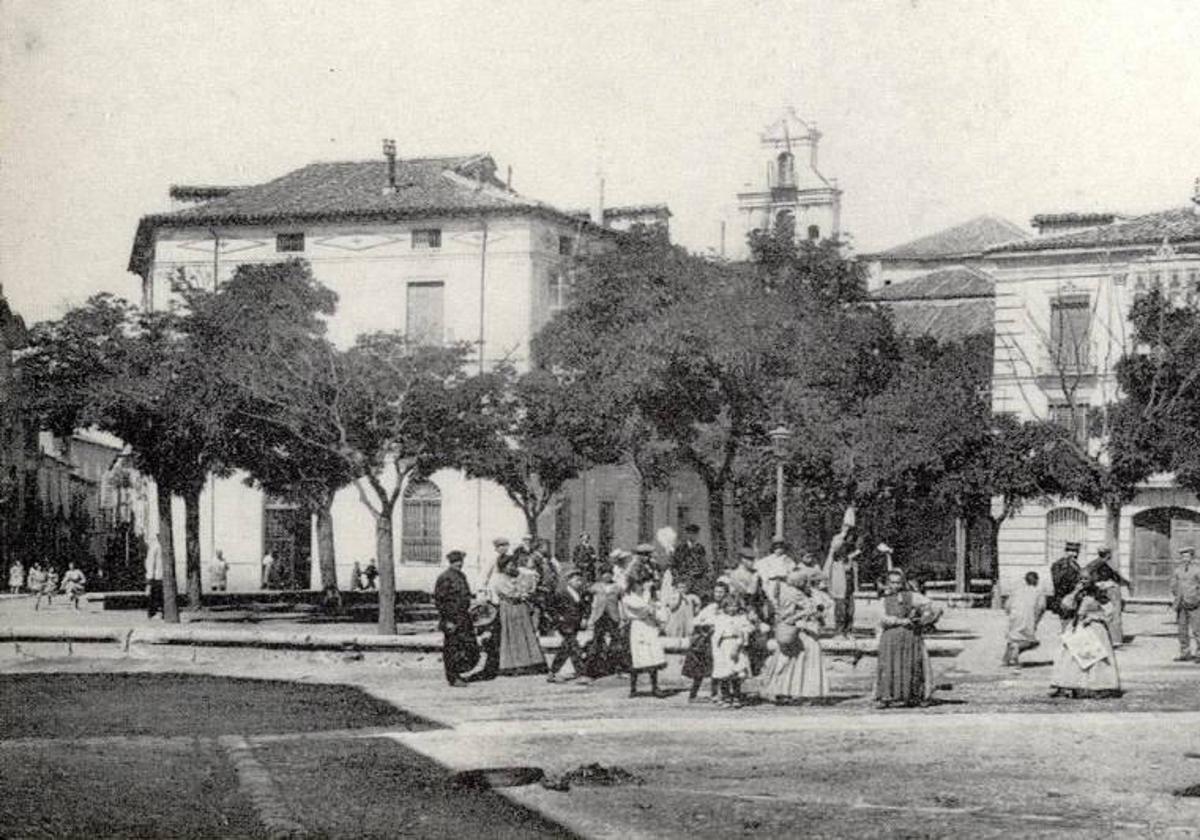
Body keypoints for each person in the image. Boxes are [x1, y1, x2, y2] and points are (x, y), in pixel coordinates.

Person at [875, 569, 942, 708]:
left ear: (903, 582)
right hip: (891, 637)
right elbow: (881, 618)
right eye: (892, 582)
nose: (896, 586)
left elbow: (932, 606)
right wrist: (899, 621)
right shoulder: (883, 600)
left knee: (910, 664)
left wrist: (924, 618)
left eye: (898, 582)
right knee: (889, 665)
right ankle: (886, 696)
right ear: (888, 584)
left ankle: (911, 695)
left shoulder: (912, 596)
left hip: (910, 636)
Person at [762, 570, 828, 703]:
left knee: (786, 660)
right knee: (805, 660)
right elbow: (811, 609)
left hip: (787, 629)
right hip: (800, 629)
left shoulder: (784, 591)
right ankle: (806, 692)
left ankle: (781, 690)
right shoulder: (797, 594)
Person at [1050, 579, 1121, 698]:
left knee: (1096, 658)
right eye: (1081, 580)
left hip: (1095, 629)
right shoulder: (1077, 595)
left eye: (1086, 580)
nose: (1083, 582)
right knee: (1069, 656)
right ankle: (1067, 685)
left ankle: (1099, 687)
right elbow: (1065, 606)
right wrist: (1075, 592)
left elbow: (1110, 613)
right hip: (1078, 627)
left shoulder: (1099, 596)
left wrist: (1094, 617)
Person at [490, 556, 548, 676]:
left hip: (521, 608)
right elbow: (511, 593)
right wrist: (522, 593)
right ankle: (512, 664)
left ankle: (529, 662)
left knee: (525, 634)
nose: (512, 567)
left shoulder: (515, 577)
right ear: (503, 566)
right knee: (512, 635)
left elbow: (524, 588)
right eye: (509, 565)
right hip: (509, 608)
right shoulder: (499, 579)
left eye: (513, 565)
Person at [433, 550, 480, 687]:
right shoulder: (445, 577)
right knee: (452, 649)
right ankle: (453, 678)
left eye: (460, 562)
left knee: (468, 646)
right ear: (451, 563)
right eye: (455, 562)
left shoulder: (461, 576)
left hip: (463, 617)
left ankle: (460, 672)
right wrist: (447, 620)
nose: (459, 564)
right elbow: (439, 601)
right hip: (451, 618)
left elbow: (465, 596)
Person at [682, 580, 729, 703]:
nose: (718, 594)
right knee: (702, 668)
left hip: (723, 641)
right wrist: (707, 624)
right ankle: (693, 695)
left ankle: (717, 694)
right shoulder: (711, 607)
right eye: (716, 592)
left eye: (721, 592)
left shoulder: (729, 607)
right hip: (709, 640)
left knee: (720, 667)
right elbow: (696, 621)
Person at [622, 577, 667, 697]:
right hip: (638, 627)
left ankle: (655, 686)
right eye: (639, 584)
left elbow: (657, 610)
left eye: (642, 584)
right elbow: (643, 608)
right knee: (638, 657)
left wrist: (656, 612)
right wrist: (649, 598)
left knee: (654, 655)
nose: (641, 586)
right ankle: (633, 688)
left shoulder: (647, 597)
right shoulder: (629, 598)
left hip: (650, 626)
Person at [547, 570, 591, 683]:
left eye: (580, 580)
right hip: (565, 624)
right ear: (569, 580)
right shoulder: (561, 593)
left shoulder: (580, 593)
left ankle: (552, 672)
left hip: (575, 623)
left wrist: (585, 618)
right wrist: (558, 618)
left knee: (566, 648)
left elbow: (585, 607)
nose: (579, 582)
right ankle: (581, 673)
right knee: (573, 646)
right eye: (576, 580)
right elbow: (551, 607)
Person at [711, 594, 755, 707]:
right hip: (724, 645)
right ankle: (725, 697)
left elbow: (749, 628)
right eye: (729, 606)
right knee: (724, 673)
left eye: (735, 606)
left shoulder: (741, 618)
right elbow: (716, 635)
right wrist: (716, 649)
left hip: (737, 644)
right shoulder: (720, 618)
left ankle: (736, 696)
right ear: (725, 607)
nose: (732, 609)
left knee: (736, 673)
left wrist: (742, 634)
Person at [584, 566, 625, 677]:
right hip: (600, 616)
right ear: (601, 575)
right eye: (604, 574)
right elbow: (587, 598)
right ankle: (593, 668)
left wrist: (623, 618)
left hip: (613, 616)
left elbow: (623, 603)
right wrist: (589, 616)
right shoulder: (596, 586)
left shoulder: (617, 587)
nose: (607, 576)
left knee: (616, 641)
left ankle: (617, 668)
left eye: (609, 574)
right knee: (597, 640)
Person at [1085, 547, 1130, 646]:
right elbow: (1116, 577)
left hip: (1101, 590)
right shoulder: (1105, 564)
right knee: (1113, 614)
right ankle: (1115, 639)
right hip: (1109, 591)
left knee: (1105, 613)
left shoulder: (1093, 563)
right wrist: (1127, 583)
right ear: (1108, 555)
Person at [1003, 571, 1046, 666]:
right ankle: (1017, 648)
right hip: (1028, 618)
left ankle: (1006, 660)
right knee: (1032, 642)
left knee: (1012, 639)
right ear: (1036, 581)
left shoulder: (1017, 590)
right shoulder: (1039, 592)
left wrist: (1010, 615)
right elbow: (1042, 607)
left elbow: (1007, 606)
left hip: (1014, 616)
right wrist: (1036, 621)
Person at [824, 536, 860, 638]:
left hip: (849, 591)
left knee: (850, 611)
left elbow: (854, 575)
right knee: (840, 612)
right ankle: (839, 632)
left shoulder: (851, 561)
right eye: (842, 550)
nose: (844, 553)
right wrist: (829, 589)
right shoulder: (834, 563)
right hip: (839, 591)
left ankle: (848, 631)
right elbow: (827, 574)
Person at [1171, 546, 1200, 662]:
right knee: (1182, 629)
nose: (1185, 558)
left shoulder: (1197, 570)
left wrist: (1197, 598)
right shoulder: (1178, 570)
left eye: (1187, 556)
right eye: (1183, 556)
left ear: (1192, 557)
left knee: (1197, 629)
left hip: (1195, 603)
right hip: (1181, 603)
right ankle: (1185, 652)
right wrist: (1176, 595)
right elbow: (1173, 584)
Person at [671, 524, 713, 602]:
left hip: (697, 581)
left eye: (694, 534)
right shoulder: (680, 548)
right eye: (690, 533)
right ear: (687, 534)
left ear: (697, 535)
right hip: (684, 581)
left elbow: (704, 564)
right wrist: (678, 579)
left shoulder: (700, 548)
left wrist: (703, 576)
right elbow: (674, 565)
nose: (692, 536)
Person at [1049, 541, 1083, 627]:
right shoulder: (1059, 565)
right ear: (1067, 552)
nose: (1075, 555)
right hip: (1063, 598)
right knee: (1066, 623)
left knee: (1072, 624)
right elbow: (1057, 581)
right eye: (1073, 551)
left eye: (1076, 552)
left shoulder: (1075, 565)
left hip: (1074, 598)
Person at [756, 539, 796, 610]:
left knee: (785, 600)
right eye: (776, 548)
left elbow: (792, 570)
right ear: (773, 549)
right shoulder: (768, 559)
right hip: (772, 582)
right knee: (772, 600)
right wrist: (765, 581)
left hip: (783, 582)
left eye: (781, 548)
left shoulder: (788, 559)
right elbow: (761, 568)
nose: (779, 550)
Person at [146, 543, 164, 619]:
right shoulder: (160, 546)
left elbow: (151, 564)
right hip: (160, 576)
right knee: (158, 595)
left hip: (156, 576)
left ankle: (156, 612)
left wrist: (149, 579)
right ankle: (158, 612)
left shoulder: (154, 547)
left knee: (155, 595)